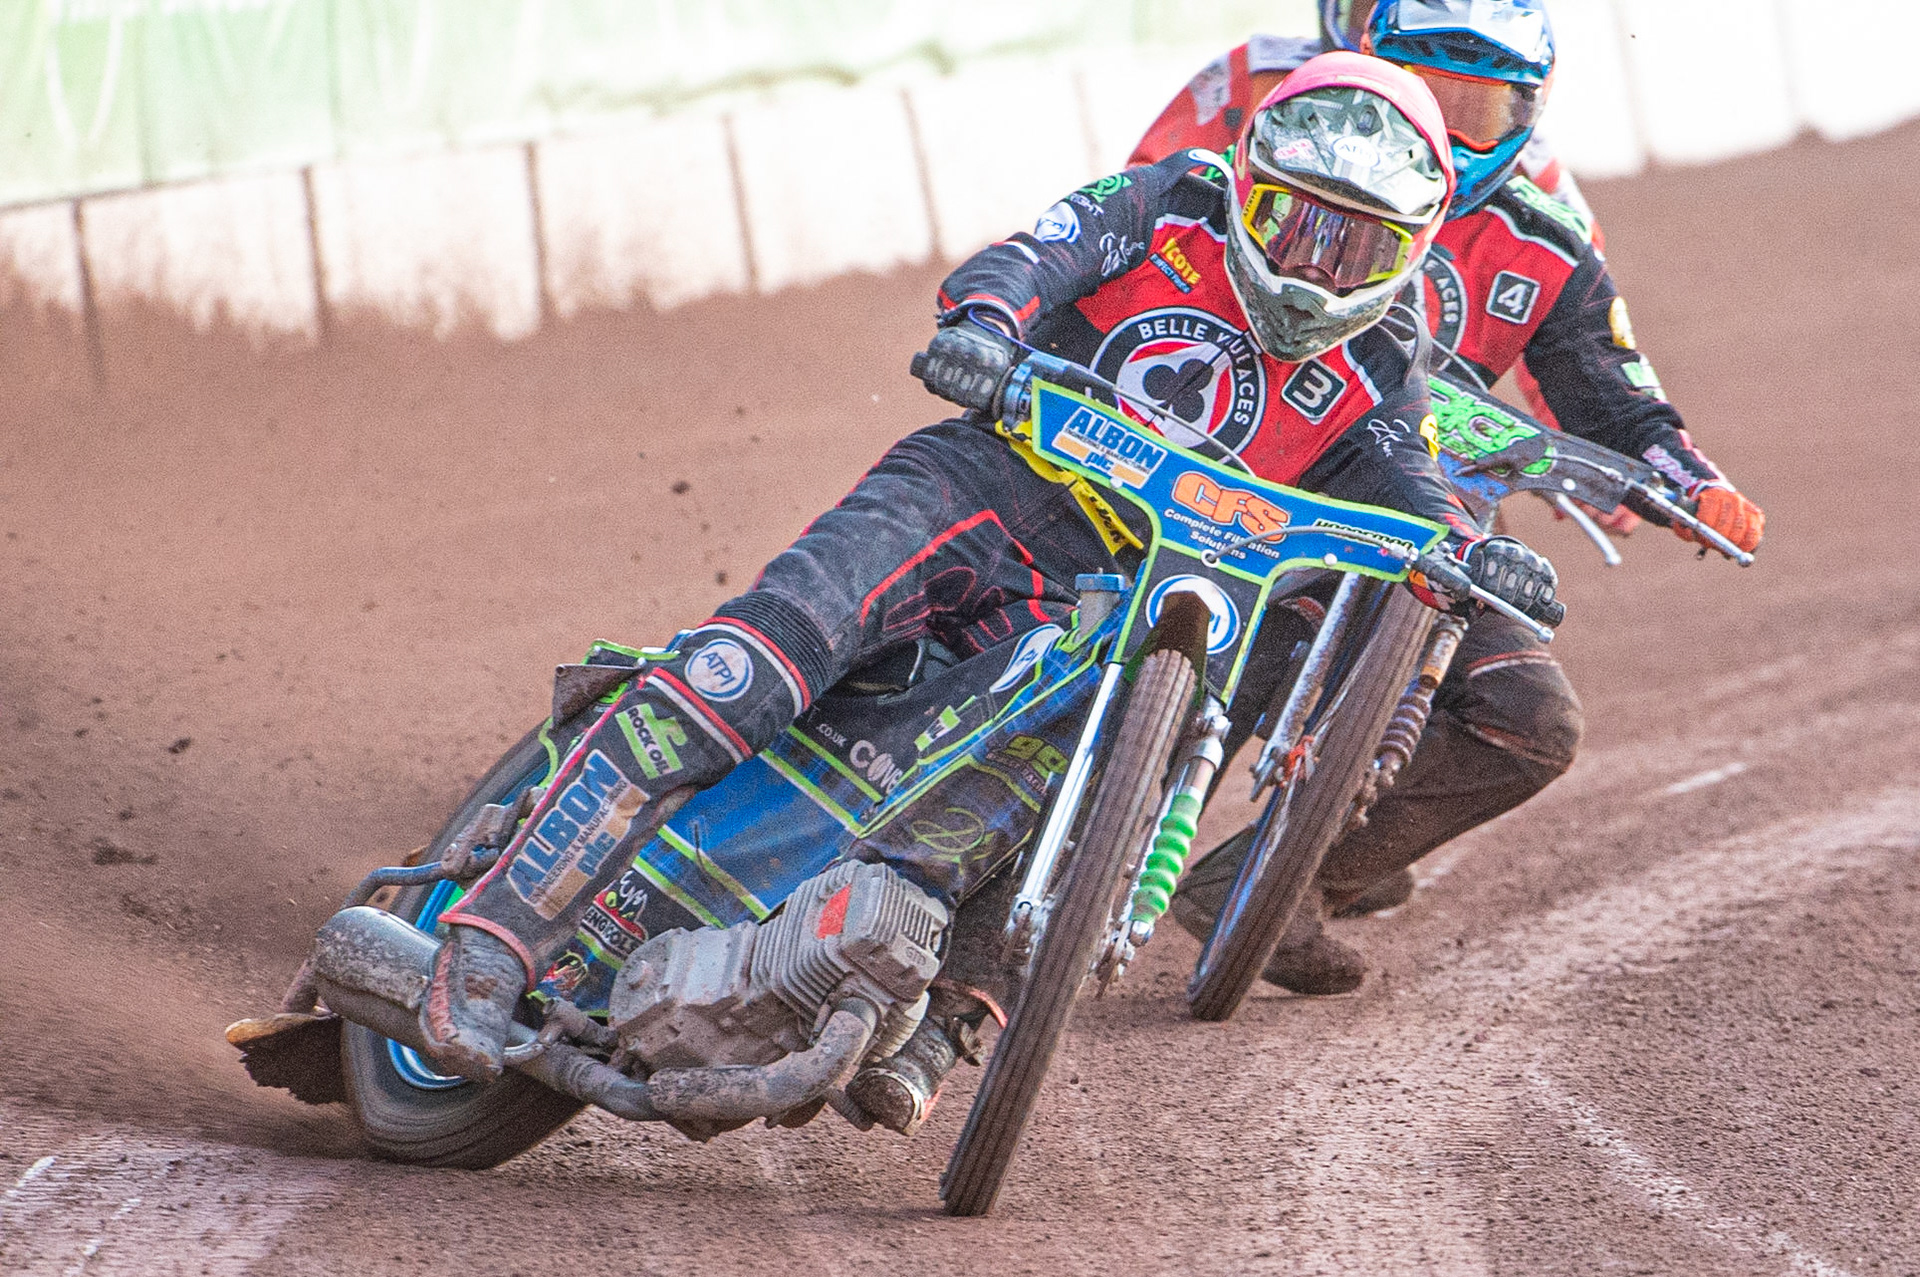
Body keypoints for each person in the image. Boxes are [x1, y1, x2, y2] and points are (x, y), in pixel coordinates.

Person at [415, 54, 1560, 1113]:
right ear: (1248, 188)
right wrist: (986, 324)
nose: (1315, 265)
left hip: (1112, 587)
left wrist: (1468, 551)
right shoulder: (1171, 201)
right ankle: (491, 934)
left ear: (1411, 255)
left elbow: (1410, 475)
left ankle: (922, 1002)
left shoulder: (1388, 353)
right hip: (991, 477)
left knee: (1066, 781)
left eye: (1354, 247)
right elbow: (1037, 256)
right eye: (1292, 223)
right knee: (770, 645)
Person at [1134, 0, 1766, 995]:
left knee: (1529, 717)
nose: (1451, 126)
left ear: (1531, 108)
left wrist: (1685, 476)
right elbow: (1140, 225)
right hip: (1228, 444)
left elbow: (1603, 385)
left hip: (1432, 490)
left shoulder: (1547, 216)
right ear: (1353, 48)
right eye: (1429, 90)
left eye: (1483, 106)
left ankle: (1280, 873)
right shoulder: (1264, 95)